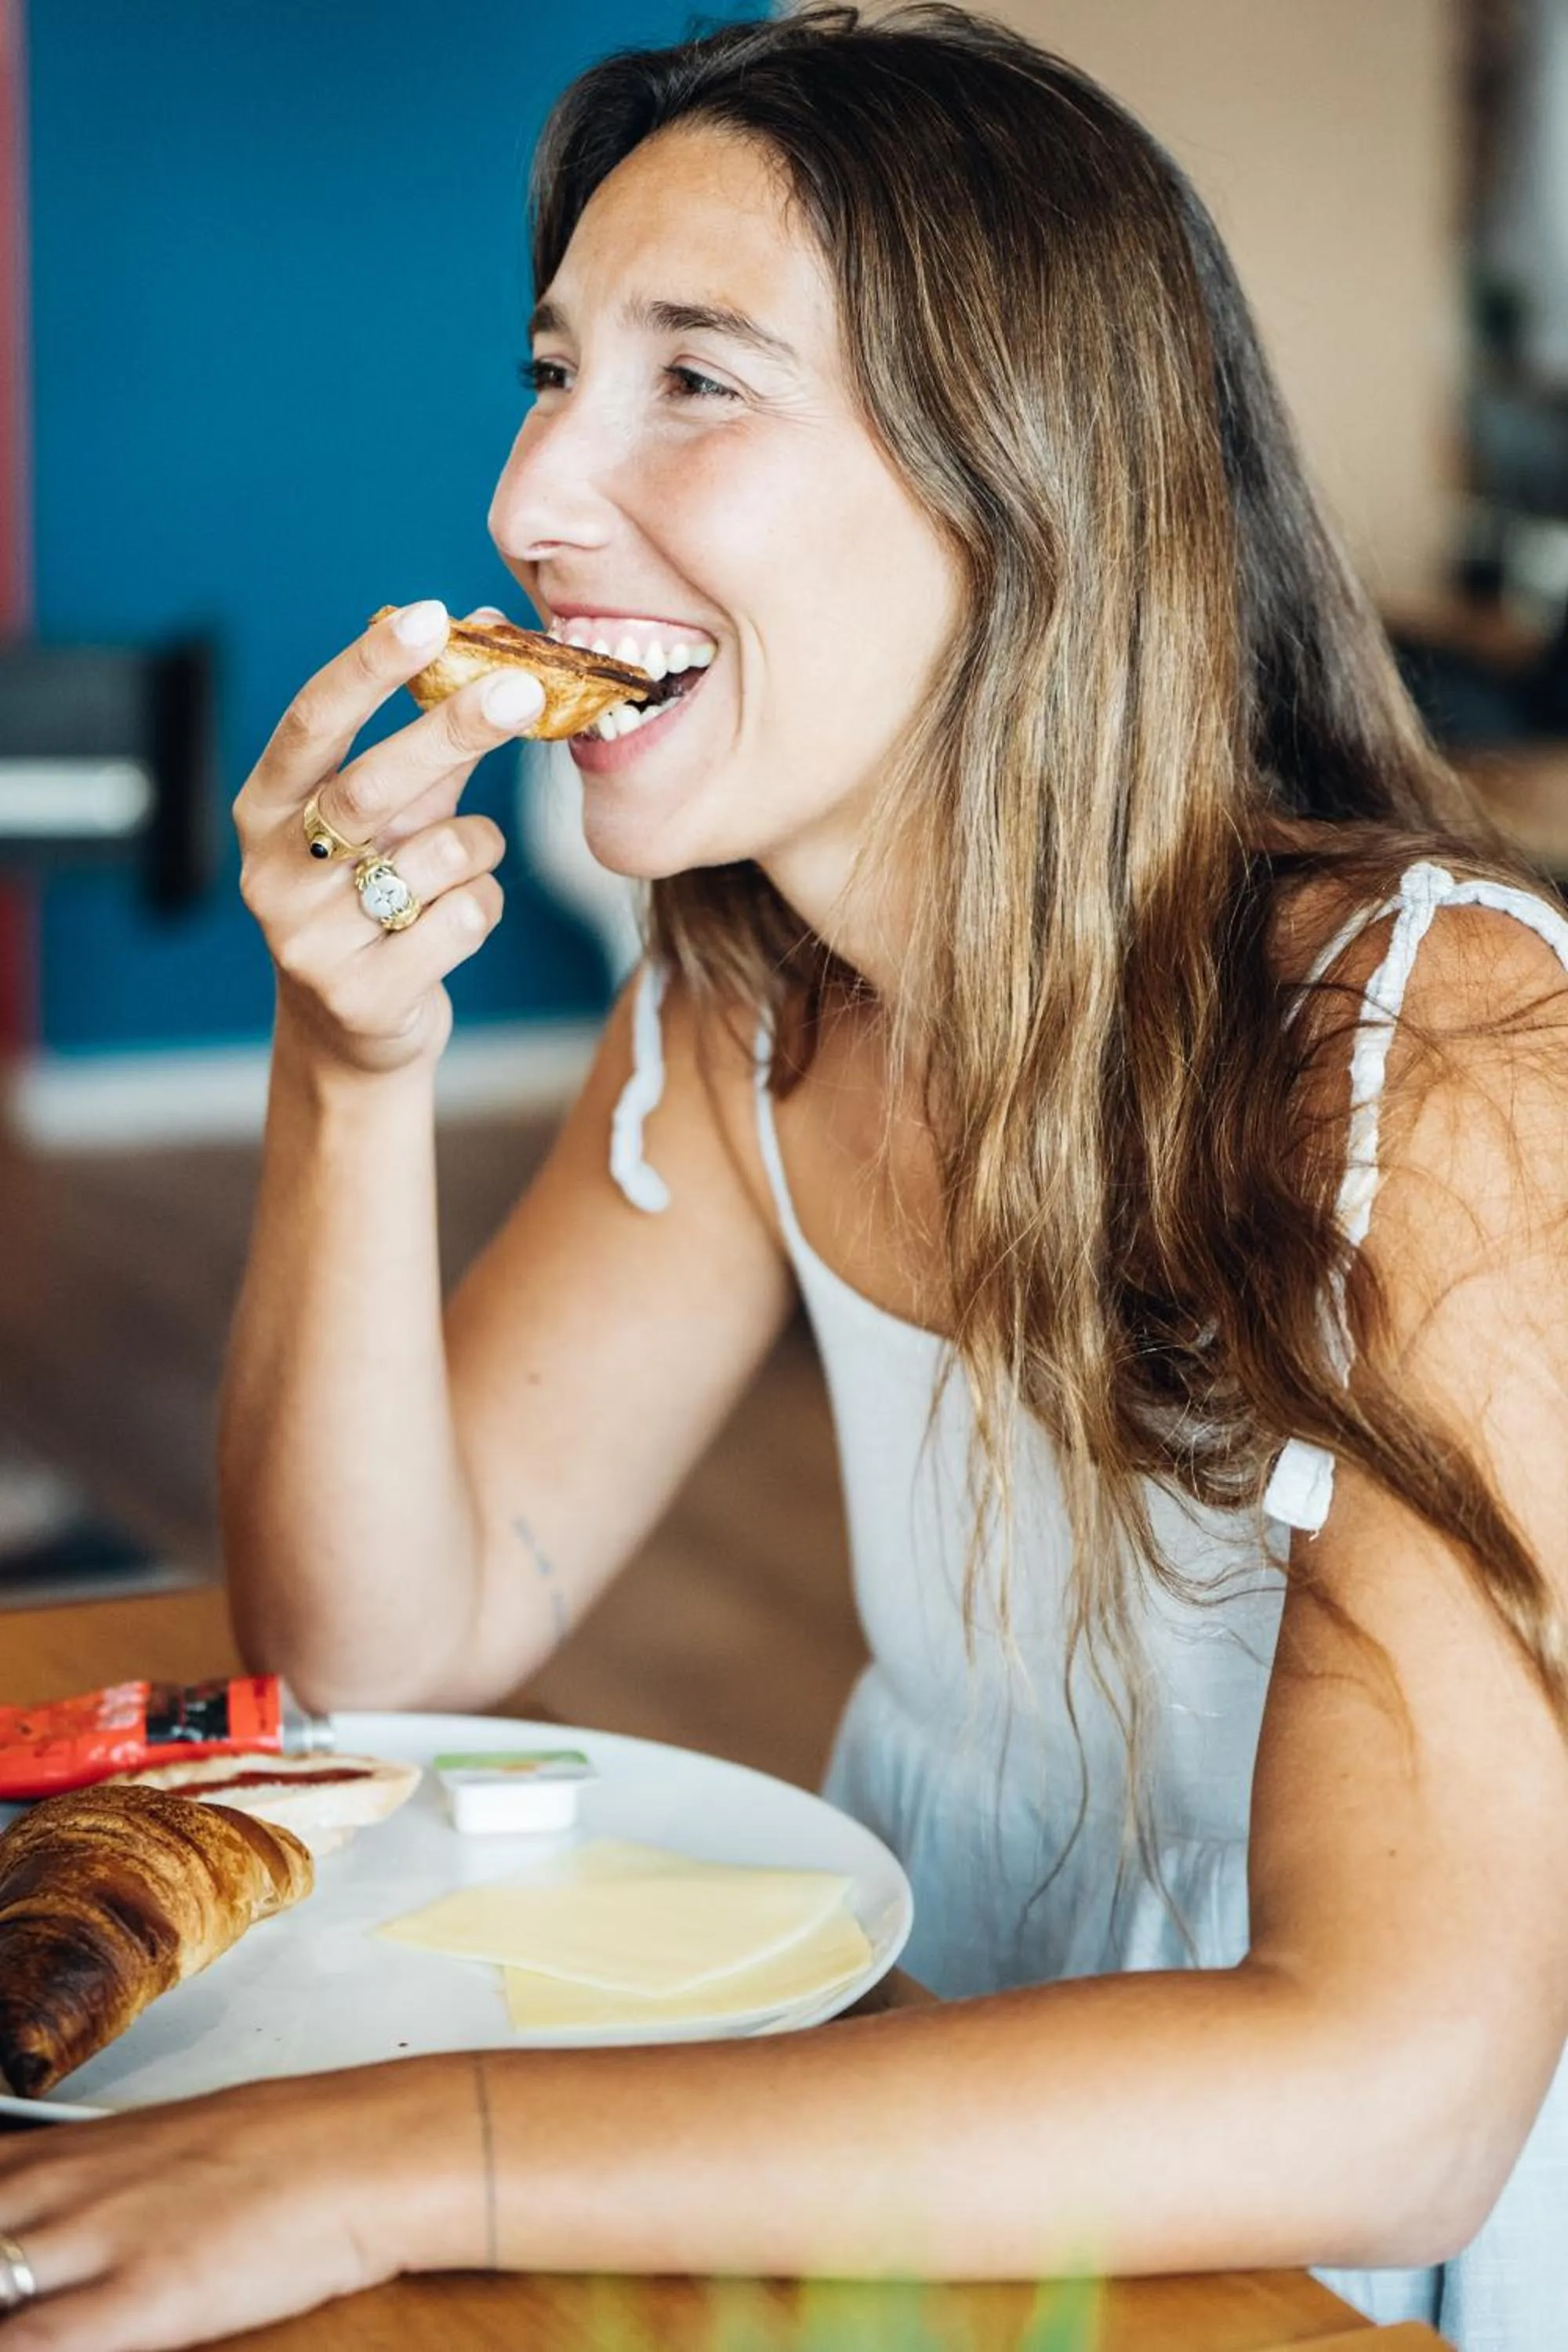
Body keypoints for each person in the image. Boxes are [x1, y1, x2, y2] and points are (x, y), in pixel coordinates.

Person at [5, 9, 1568, 2347]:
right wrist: (354, 1057)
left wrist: (393, 2158)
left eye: (694, 380)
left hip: (1321, 2254)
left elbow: (1393, 2088)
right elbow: (371, 1654)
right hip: (918, 2123)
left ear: (1022, 477)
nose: (535, 487)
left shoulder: (1436, 1058)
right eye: (552, 372)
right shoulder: (749, 998)